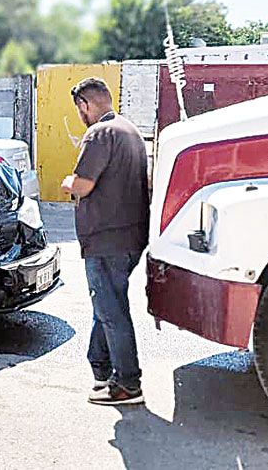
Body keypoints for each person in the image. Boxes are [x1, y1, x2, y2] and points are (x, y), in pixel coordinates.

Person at [61, 77, 150, 406]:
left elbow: (83, 185)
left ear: (85, 104)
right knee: (107, 305)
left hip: (106, 239)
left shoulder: (99, 133)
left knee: (111, 310)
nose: (80, 115)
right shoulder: (130, 130)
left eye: (79, 109)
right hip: (128, 237)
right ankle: (101, 368)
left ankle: (128, 383)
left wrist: (68, 181)